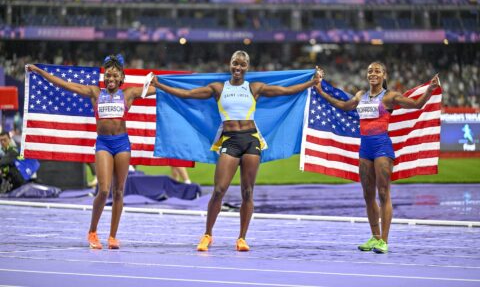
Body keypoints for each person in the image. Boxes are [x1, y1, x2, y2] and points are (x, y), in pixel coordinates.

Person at [152, 50, 319, 252]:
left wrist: (311, 83)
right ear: (229, 64)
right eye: (235, 64)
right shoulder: (218, 88)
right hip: (230, 141)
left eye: (242, 65)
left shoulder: (254, 88)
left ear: (247, 67)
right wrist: (160, 85)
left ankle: (242, 238)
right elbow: (187, 95)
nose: (238, 68)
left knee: (247, 192)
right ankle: (207, 234)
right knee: (219, 190)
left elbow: (285, 91)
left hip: (251, 140)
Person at [26, 55, 158, 250]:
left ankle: (113, 236)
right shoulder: (95, 92)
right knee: (104, 190)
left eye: (114, 76)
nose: (110, 79)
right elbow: (64, 84)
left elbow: (159, 91)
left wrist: (160, 82)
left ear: (121, 78)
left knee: (119, 191)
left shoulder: (129, 94)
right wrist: (39, 71)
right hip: (104, 144)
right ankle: (93, 231)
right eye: (107, 75)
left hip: (122, 144)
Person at [314, 62, 439, 254]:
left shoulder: (390, 96)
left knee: (383, 193)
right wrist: (321, 92)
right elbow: (344, 106)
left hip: (382, 147)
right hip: (365, 149)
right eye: (370, 71)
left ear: (384, 76)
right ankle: (375, 237)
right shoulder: (360, 96)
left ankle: (385, 241)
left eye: (377, 71)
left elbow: (417, 104)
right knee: (367, 195)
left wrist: (430, 89)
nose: (373, 73)